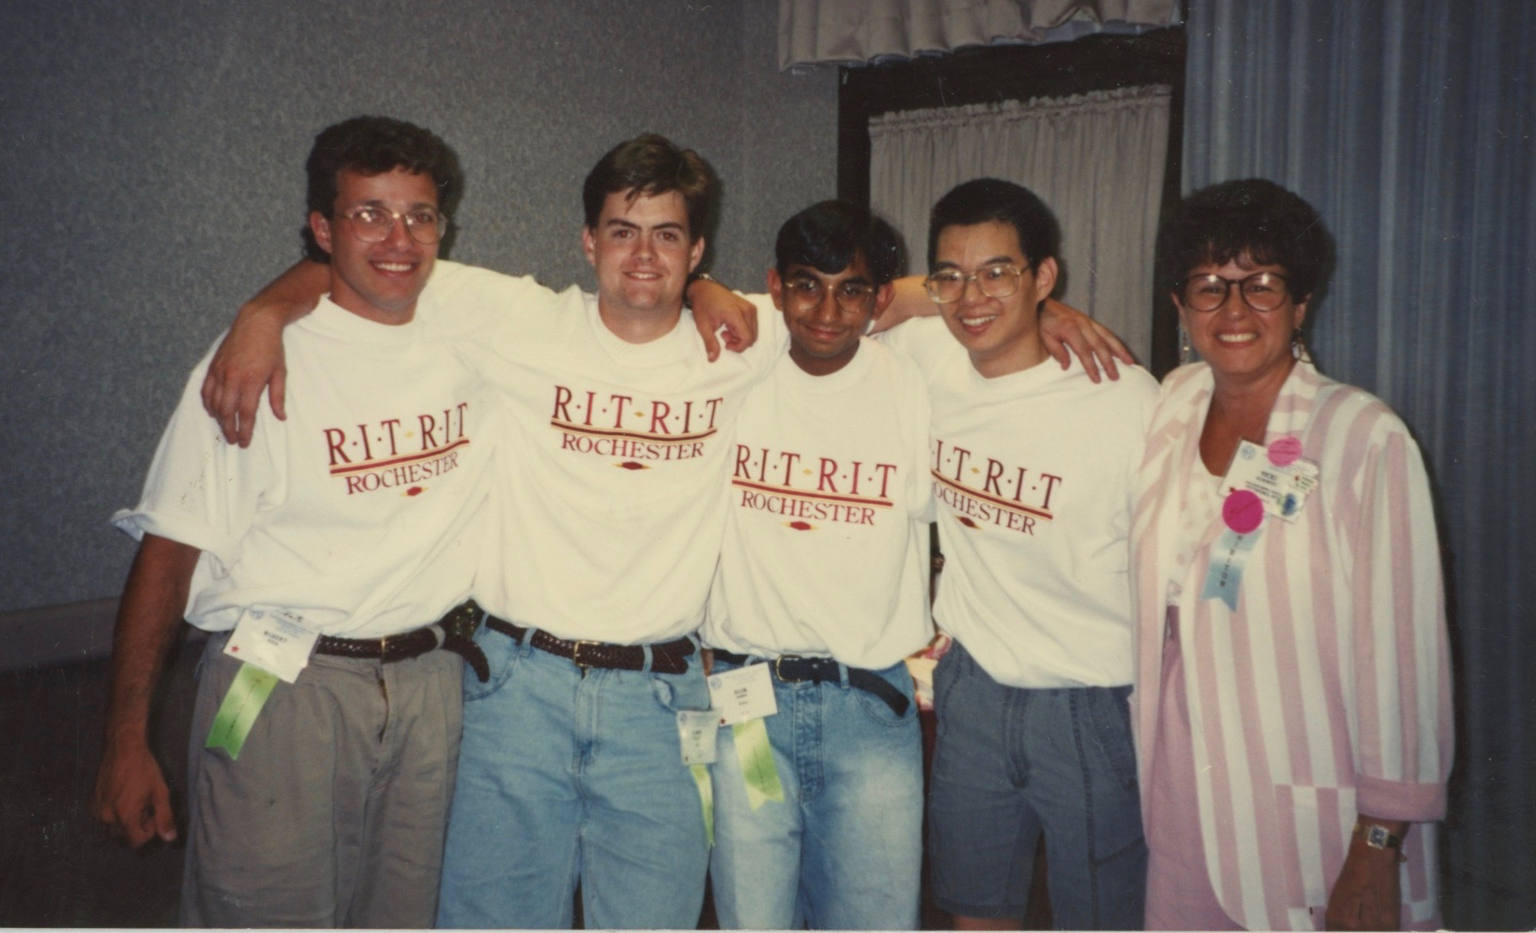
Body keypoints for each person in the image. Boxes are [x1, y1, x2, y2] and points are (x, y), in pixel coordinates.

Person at [199, 137, 1132, 928]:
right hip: (519, 686)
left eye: (669, 235)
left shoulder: (759, 338)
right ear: (588, 240)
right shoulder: (522, 320)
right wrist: (263, 309)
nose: (643, 255)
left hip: (671, 700)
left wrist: (1036, 307)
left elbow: (900, 295)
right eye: (623, 230)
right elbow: (377, 261)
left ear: (698, 252)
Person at [92, 115, 492, 926]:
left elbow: (636, 294)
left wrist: (703, 289)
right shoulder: (250, 366)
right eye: (369, 213)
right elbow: (167, 556)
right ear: (322, 229)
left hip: (428, 685)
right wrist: (125, 739)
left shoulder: (476, 330)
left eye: (418, 214)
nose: (399, 238)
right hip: (283, 689)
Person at [1131, 179, 1453, 931]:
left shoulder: (1361, 436)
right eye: (1209, 285)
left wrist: (1379, 840)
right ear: (1179, 304)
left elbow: (1402, 652)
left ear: (1301, 302)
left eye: (1262, 284)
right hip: (1180, 776)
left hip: (1308, 792)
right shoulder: (1174, 402)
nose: (1234, 309)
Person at [880, 178, 1158, 930]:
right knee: (975, 911)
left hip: (1090, 698)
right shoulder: (930, 356)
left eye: (999, 272)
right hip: (973, 688)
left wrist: (1030, 302)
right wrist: (997, 293)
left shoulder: (1123, 398)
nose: (972, 298)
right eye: (952, 275)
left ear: (1045, 274)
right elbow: (853, 304)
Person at [703, 200, 932, 929]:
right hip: (746, 709)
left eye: (851, 290)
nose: (827, 311)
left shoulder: (916, 384)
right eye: (807, 285)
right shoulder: (732, 369)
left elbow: (983, 314)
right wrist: (699, 286)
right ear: (775, 286)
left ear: (879, 299)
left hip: (869, 710)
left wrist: (1049, 316)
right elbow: (656, 297)